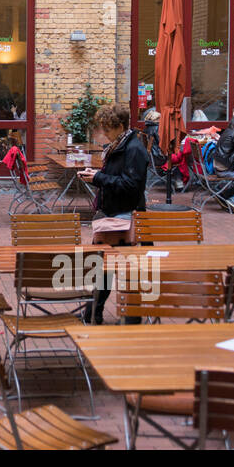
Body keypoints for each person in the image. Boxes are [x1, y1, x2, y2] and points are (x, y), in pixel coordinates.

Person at [77, 103, 150, 324]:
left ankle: (126, 318)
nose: (104, 134)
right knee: (104, 268)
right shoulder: (120, 145)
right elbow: (118, 176)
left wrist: (98, 178)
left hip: (125, 218)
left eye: (107, 129)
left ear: (119, 126)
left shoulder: (134, 149)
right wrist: (97, 174)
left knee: (123, 271)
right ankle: (94, 313)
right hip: (113, 215)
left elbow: (131, 186)